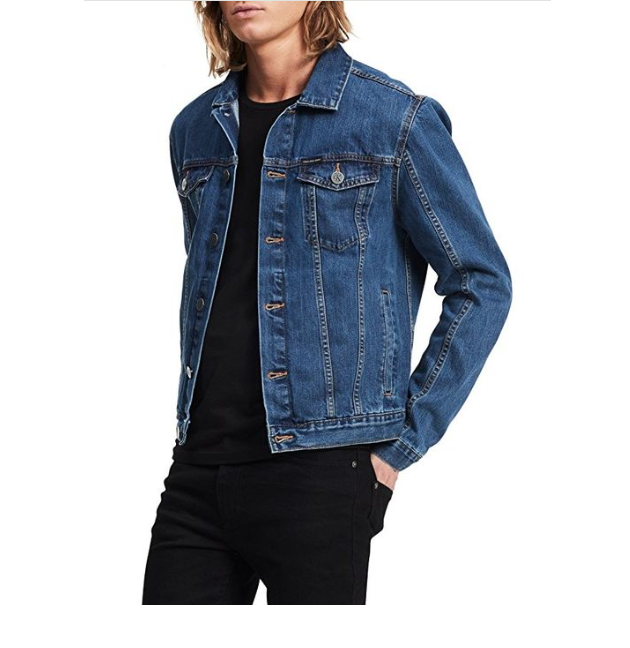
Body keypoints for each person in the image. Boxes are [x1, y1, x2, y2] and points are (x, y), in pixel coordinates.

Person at [142, 0, 513, 605]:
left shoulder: (393, 120)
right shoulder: (196, 129)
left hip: (321, 470)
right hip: (199, 468)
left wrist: (400, 445)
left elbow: (481, 280)